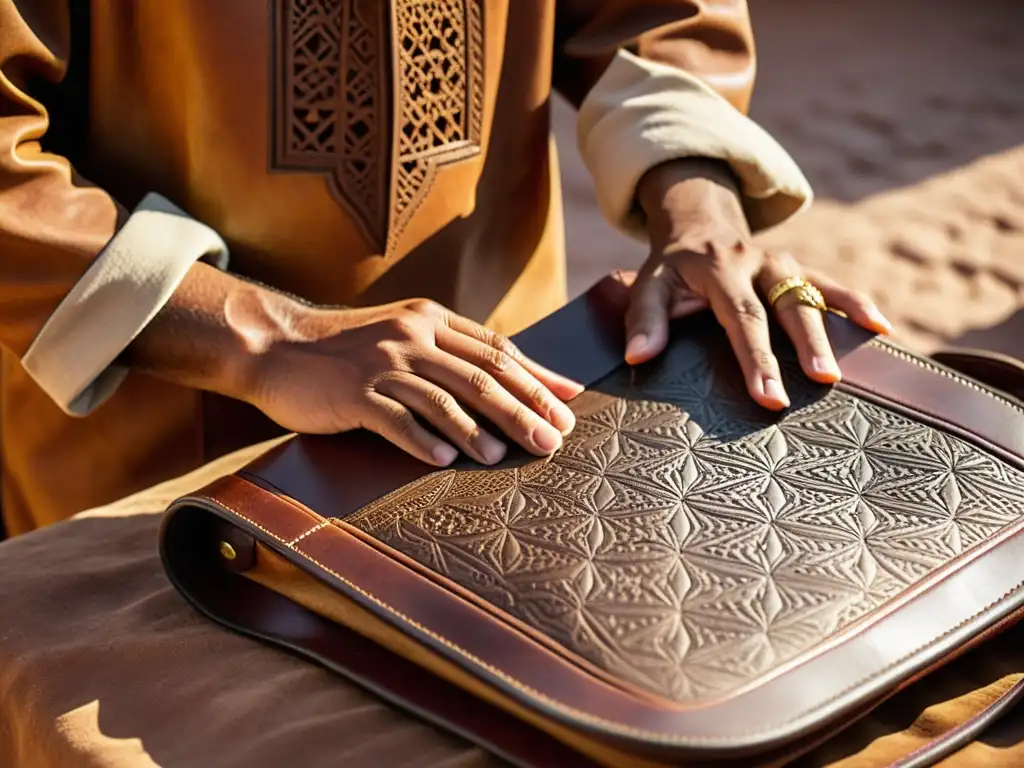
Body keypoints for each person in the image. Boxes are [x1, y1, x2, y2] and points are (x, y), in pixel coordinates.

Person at [0, 0, 892, 537]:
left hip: (510, 407)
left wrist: (698, 205)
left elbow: (657, 11)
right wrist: (268, 341)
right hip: (152, 453)